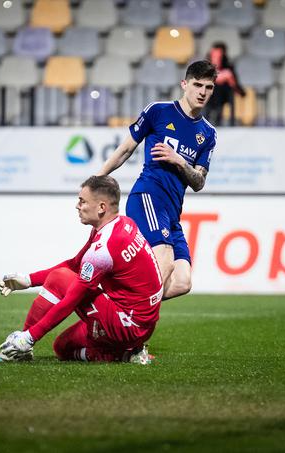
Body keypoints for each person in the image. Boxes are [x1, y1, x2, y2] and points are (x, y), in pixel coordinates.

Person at [0, 176, 163, 364]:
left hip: (128, 324)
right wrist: (28, 280)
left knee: (60, 278)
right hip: (139, 324)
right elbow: (75, 264)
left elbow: (71, 298)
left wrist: (30, 337)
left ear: (101, 207)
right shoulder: (122, 224)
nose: (77, 206)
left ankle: (23, 345)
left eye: (82, 201)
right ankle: (126, 354)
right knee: (61, 347)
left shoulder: (106, 245)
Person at [97, 60, 217, 300]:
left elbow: (199, 182)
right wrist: (96, 179)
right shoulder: (159, 111)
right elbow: (124, 150)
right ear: (184, 84)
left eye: (209, 87)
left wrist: (179, 160)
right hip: (149, 196)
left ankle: (116, 303)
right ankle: (127, 328)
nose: (203, 92)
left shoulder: (208, 133)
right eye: (197, 85)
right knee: (164, 262)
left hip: (172, 212)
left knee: (182, 282)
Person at [205, 42, 245, 126]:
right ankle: (211, 117)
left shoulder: (228, 67)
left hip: (224, 95)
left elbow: (234, 84)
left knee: (218, 88)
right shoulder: (205, 66)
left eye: (219, 54)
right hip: (208, 94)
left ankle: (218, 117)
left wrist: (240, 91)